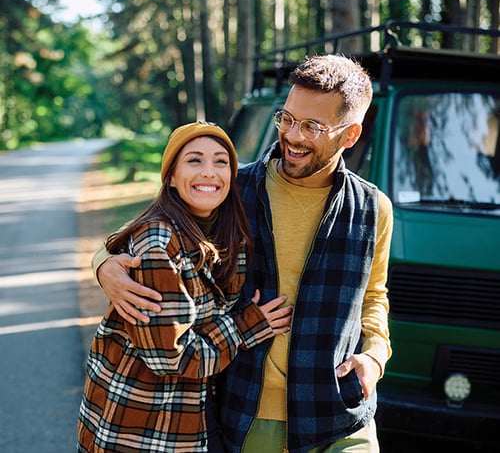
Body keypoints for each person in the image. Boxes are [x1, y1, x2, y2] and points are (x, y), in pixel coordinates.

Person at [94, 54, 394, 452]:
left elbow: (374, 296)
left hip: (339, 413)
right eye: (286, 119)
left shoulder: (374, 208)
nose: (293, 135)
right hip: (248, 413)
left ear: (350, 134)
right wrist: (103, 264)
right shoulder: (232, 190)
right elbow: (150, 231)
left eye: (312, 126)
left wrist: (374, 357)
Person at [78, 121, 293, 452]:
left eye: (221, 162)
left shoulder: (227, 233)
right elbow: (173, 358)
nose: (209, 172)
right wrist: (247, 326)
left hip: (198, 413)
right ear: (172, 178)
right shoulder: (157, 244)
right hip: (141, 425)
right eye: (194, 160)